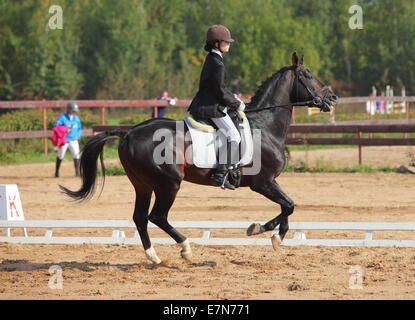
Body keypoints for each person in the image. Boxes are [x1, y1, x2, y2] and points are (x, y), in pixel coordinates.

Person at [188, 24, 245, 190]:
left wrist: (233, 98)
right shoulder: (217, 63)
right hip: (210, 106)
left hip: (209, 102)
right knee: (234, 135)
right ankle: (220, 175)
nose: (229, 44)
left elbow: (220, 88)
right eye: (226, 42)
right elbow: (219, 90)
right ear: (216, 43)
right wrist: (237, 103)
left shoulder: (214, 59)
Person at [53, 102, 82, 178]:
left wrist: (77, 136)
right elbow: (56, 127)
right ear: (68, 109)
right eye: (73, 110)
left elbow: (79, 128)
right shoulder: (62, 118)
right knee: (60, 155)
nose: (75, 112)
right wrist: (65, 129)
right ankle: (56, 172)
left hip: (73, 139)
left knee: (76, 155)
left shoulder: (76, 118)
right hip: (64, 140)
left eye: (75, 111)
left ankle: (77, 172)